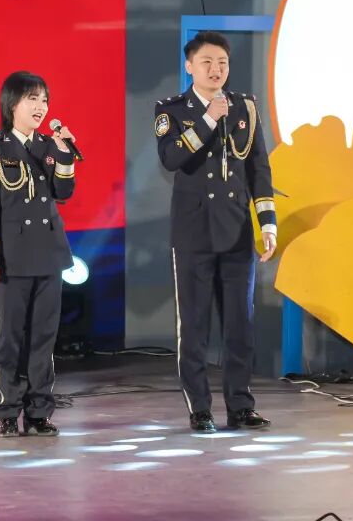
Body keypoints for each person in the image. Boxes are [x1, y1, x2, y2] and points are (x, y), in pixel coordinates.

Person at [154, 30, 277, 433]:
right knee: (194, 328)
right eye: (207, 62)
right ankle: (200, 409)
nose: (216, 69)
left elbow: (258, 168)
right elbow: (171, 158)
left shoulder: (246, 108)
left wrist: (267, 222)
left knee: (240, 325)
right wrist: (208, 119)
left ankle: (241, 406)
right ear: (189, 66)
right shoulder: (172, 110)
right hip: (193, 233)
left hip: (237, 232)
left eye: (222, 62)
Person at [0, 71, 78, 438]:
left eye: (44, 100)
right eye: (32, 99)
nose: (40, 107)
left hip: (49, 253)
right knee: (10, 337)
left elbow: (64, 192)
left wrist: (65, 153)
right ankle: (8, 410)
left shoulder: (50, 146)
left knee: (44, 337)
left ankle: (39, 412)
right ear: (12, 105)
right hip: (12, 258)